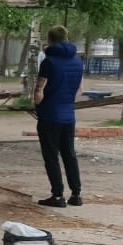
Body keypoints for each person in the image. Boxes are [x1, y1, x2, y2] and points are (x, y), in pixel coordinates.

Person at [33, 25, 83, 207]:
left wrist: (37, 101)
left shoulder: (49, 61)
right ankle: (76, 194)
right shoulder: (77, 61)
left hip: (49, 115)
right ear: (67, 38)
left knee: (51, 155)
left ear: (50, 39)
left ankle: (57, 195)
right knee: (69, 153)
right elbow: (80, 90)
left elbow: (40, 90)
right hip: (68, 114)